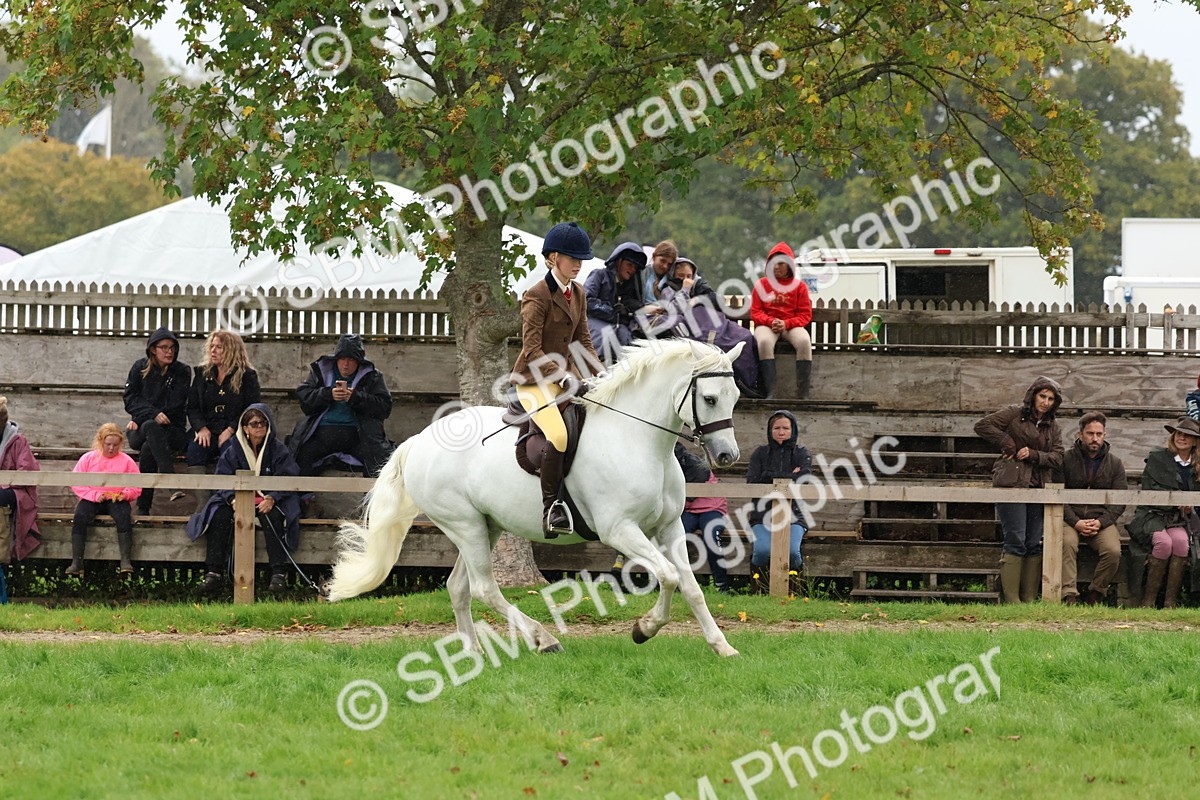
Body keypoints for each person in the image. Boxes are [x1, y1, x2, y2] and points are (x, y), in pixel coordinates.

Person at [511, 221, 602, 538]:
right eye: (571, 258)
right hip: (533, 382)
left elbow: (584, 342)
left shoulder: (578, 292)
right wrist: (563, 376)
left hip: (568, 379)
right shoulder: (536, 295)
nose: (578, 264)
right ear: (552, 258)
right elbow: (532, 349)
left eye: (581, 259)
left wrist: (601, 374)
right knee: (560, 437)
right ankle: (551, 510)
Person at [188, 404, 302, 597]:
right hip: (239, 499)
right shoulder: (233, 449)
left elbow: (288, 475)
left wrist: (273, 497)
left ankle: (278, 573)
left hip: (268, 499)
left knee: (272, 516)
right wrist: (233, 500)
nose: (260, 427)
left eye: (264, 422)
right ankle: (213, 572)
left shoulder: (278, 449)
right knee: (219, 515)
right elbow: (222, 478)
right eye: (254, 423)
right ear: (246, 428)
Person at [974, 377, 1065, 603]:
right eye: (1042, 396)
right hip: (1011, 483)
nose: (1045, 402)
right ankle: (1012, 600)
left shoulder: (1053, 426)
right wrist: (1008, 443)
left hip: (1038, 486)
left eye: (1051, 399)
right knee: (1015, 538)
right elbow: (983, 426)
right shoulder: (1014, 413)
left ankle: (1028, 599)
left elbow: (1058, 456)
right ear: (1033, 395)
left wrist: (1034, 455)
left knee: (1034, 541)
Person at [652, 256, 760, 396]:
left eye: (689, 276)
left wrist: (700, 297)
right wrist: (685, 290)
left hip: (716, 326)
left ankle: (747, 383)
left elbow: (717, 301)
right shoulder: (668, 289)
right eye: (681, 276)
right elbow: (677, 309)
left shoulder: (699, 285)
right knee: (719, 346)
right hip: (692, 331)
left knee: (745, 338)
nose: (686, 279)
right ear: (673, 275)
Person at [290, 333, 394, 478]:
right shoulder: (320, 372)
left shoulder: (373, 376)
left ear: (358, 362)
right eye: (342, 359)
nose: (346, 364)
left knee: (378, 464)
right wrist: (327, 395)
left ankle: (373, 500)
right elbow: (305, 399)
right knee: (298, 457)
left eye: (351, 360)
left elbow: (384, 408)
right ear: (336, 359)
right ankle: (302, 499)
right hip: (321, 435)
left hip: (359, 437)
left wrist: (356, 398)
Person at [1128, 416, 1200, 609]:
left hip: (1179, 520)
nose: (1182, 438)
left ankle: (1170, 602)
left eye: (1188, 435)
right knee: (1164, 543)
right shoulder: (1157, 458)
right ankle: (1148, 602)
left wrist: (1189, 505)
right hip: (1152, 515)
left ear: (1195, 441)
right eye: (1179, 433)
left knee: (1182, 543)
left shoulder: (1197, 464)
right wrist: (1176, 500)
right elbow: (1149, 488)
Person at [186, 329, 261, 504]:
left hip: (234, 428)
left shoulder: (247, 376)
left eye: (219, 347)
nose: (213, 351)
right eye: (211, 346)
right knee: (195, 449)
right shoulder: (202, 373)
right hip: (207, 428)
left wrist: (231, 429)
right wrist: (201, 428)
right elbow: (193, 407)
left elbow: (251, 408)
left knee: (230, 451)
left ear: (231, 350)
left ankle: (223, 502)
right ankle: (204, 504)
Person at [123, 327, 191, 514]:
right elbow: (129, 399)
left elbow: (176, 403)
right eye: (164, 347)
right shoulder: (139, 367)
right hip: (140, 430)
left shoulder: (182, 371)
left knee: (148, 447)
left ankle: (143, 510)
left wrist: (142, 415)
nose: (170, 352)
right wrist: (150, 413)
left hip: (172, 431)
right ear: (153, 349)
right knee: (149, 428)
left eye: (172, 348)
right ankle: (171, 482)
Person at [1061, 412, 1125, 606]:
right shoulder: (1065, 459)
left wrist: (1101, 522)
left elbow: (1120, 500)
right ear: (1080, 434)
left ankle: (1096, 593)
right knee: (1066, 543)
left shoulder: (1115, 463)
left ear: (1105, 435)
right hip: (1070, 519)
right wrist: (1076, 522)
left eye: (1099, 433)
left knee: (1113, 551)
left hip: (1101, 520)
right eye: (1090, 433)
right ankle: (1068, 594)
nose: (1095, 438)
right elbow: (1056, 495)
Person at [745, 410, 810, 594]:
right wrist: (791, 476)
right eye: (777, 428)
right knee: (763, 551)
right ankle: (758, 592)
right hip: (762, 515)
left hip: (794, 515)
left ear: (793, 430)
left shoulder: (801, 452)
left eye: (785, 428)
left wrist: (768, 476)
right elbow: (752, 481)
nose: (781, 432)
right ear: (770, 430)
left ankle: (794, 593)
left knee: (792, 553)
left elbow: (804, 478)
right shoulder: (760, 453)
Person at [67, 423, 142, 575]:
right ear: (101, 441)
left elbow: (136, 486)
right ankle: (77, 562)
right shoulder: (88, 458)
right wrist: (94, 495)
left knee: (123, 517)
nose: (111, 448)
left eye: (115, 445)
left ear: (120, 444)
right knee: (80, 516)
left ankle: (125, 561)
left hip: (117, 499)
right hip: (93, 498)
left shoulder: (127, 461)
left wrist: (125, 494)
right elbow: (76, 482)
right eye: (108, 444)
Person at [749, 242, 814, 399]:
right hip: (767, 324)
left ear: (789, 266)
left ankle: (803, 393)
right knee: (764, 342)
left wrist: (787, 323)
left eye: (780, 264)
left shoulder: (800, 287)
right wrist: (771, 321)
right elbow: (756, 312)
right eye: (773, 264)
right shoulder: (762, 284)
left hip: (791, 324)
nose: (776, 267)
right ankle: (771, 391)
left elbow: (805, 314)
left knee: (805, 341)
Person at [675, 442, 730, 593]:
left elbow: (687, 495)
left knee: (711, 536)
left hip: (711, 507)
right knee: (676, 538)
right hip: (689, 510)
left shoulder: (695, 465)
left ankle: (721, 584)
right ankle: (678, 582)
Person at [585, 241, 649, 364]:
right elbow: (586, 300)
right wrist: (613, 311)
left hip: (615, 329)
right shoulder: (599, 275)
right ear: (618, 262)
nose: (632, 270)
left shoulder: (628, 289)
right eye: (629, 264)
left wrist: (626, 312)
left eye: (635, 267)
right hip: (591, 323)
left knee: (629, 343)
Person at [0, 396, 41, 566]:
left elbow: (28, 472)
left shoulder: (18, 441)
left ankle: (2, 551)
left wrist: (5, 483)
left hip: (15, 491)